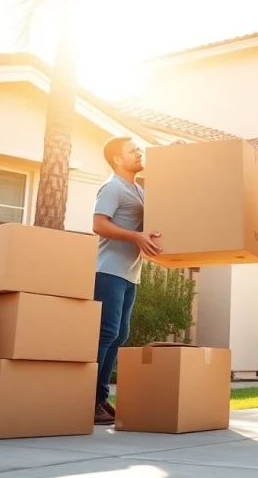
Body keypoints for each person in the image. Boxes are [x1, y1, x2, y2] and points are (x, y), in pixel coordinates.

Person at [90, 136, 163, 425]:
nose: (139, 153)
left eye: (138, 149)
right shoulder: (113, 187)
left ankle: (100, 399)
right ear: (118, 159)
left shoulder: (138, 189)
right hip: (108, 271)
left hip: (130, 273)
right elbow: (99, 224)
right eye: (132, 151)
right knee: (106, 334)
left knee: (119, 335)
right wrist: (135, 237)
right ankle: (88, 400)